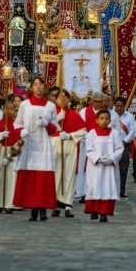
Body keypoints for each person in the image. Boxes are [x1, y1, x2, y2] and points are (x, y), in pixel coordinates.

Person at [13, 77, 59, 221]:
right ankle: (33, 208)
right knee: (31, 177)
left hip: (44, 144)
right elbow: (18, 122)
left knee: (43, 177)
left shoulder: (50, 106)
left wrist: (47, 124)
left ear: (45, 87)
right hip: (29, 144)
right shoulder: (25, 105)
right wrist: (21, 131)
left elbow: (55, 128)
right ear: (31, 87)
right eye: (35, 84)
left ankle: (43, 208)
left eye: (41, 84)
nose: (38, 87)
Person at [51, 89, 86, 218]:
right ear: (56, 100)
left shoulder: (75, 115)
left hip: (70, 145)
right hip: (55, 144)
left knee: (69, 175)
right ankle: (55, 205)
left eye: (65, 97)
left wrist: (70, 135)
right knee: (56, 175)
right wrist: (56, 121)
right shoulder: (51, 113)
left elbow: (83, 131)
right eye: (60, 97)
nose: (63, 99)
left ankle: (67, 205)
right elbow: (45, 128)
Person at [84, 109, 124, 222]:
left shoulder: (114, 133)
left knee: (107, 187)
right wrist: (98, 158)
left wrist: (111, 158)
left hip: (109, 167)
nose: (104, 121)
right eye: (101, 118)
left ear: (110, 120)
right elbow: (89, 149)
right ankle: (94, 210)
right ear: (96, 120)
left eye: (106, 119)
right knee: (94, 186)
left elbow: (120, 148)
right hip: (96, 166)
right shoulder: (91, 134)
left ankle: (104, 212)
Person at [0, 101, 20, 213]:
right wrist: (1, 135)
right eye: (7, 108)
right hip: (1, 152)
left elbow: (19, 141)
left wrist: (11, 155)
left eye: (11, 109)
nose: (9, 111)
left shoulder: (16, 124)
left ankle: (9, 204)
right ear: (3, 109)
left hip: (12, 152)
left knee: (11, 179)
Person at [114, 96, 135, 199]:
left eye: (121, 106)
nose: (119, 108)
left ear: (124, 106)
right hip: (112, 145)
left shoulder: (130, 117)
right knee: (113, 167)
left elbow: (132, 131)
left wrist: (124, 140)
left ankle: (121, 189)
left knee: (123, 167)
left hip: (125, 145)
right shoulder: (111, 115)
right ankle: (113, 189)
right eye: (117, 106)